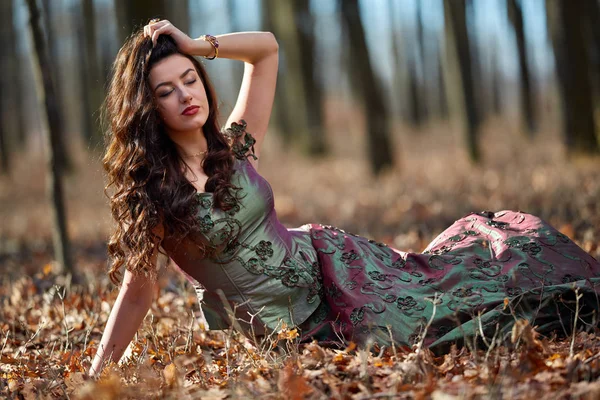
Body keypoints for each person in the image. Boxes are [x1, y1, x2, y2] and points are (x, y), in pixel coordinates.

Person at [90, 19, 600, 377]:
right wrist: (96, 377)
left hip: (338, 268)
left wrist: (194, 44)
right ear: (147, 108)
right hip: (293, 330)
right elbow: (139, 291)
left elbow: (266, 48)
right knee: (428, 328)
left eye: (190, 79)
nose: (186, 96)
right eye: (166, 91)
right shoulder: (156, 196)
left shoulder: (235, 147)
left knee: (459, 292)